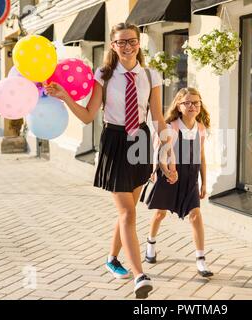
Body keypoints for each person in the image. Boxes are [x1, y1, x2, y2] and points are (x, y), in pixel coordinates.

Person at [45, 22, 177, 299]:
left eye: (131, 41)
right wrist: (66, 96)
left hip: (139, 140)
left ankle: (112, 259)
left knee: (128, 210)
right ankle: (140, 275)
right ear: (113, 46)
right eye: (120, 42)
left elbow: (157, 118)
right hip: (114, 142)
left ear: (139, 43)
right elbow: (88, 116)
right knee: (127, 213)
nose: (126, 47)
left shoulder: (151, 75)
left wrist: (168, 153)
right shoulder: (103, 75)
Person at [142, 87, 214, 278]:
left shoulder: (200, 128)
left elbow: (201, 156)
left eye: (196, 102)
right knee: (160, 213)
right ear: (179, 106)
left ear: (200, 105)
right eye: (187, 103)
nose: (192, 106)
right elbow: (161, 154)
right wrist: (165, 172)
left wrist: (204, 181)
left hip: (190, 177)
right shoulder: (171, 127)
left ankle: (200, 259)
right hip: (171, 175)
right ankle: (150, 243)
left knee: (196, 215)